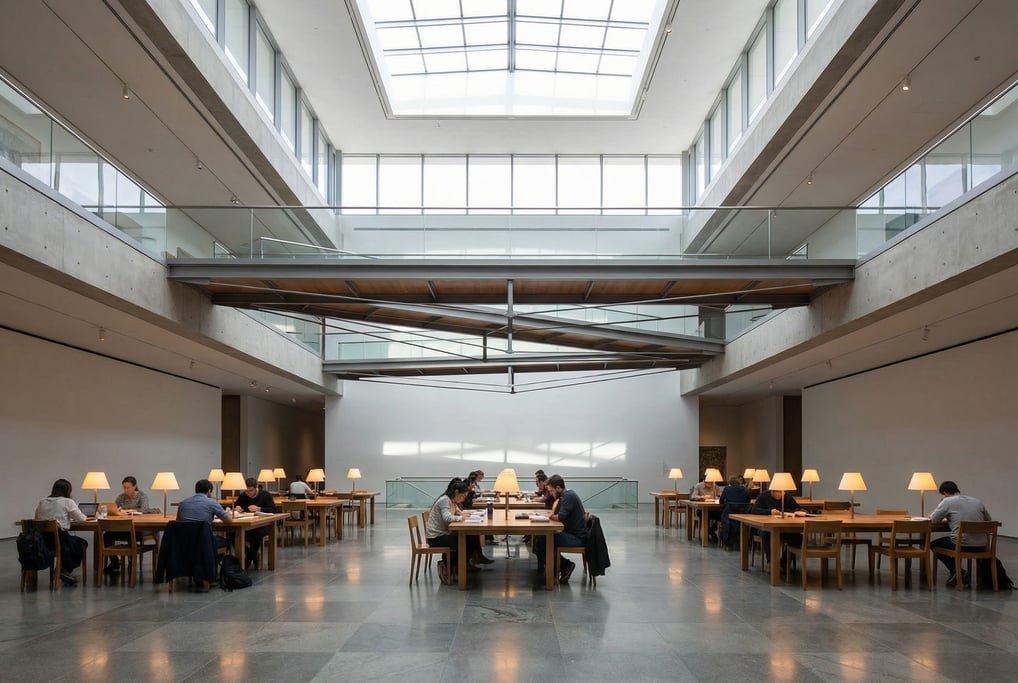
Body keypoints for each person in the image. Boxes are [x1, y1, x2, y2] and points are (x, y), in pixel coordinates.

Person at [929, 480, 993, 587]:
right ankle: (959, 573)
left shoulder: (947, 502)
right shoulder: (977, 501)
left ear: (945, 493)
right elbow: (989, 522)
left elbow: (933, 520)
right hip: (981, 545)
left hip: (961, 544)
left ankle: (957, 571)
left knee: (933, 544)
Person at [533, 474, 587, 584]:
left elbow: (560, 517)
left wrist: (548, 516)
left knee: (542, 541)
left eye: (552, 491)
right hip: (571, 534)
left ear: (558, 488)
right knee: (540, 539)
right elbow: (558, 514)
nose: (551, 495)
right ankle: (553, 569)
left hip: (576, 537)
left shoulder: (568, 497)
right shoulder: (565, 496)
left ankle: (565, 566)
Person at [34, 478, 89, 585]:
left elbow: (36, 518)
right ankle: (64, 569)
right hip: (60, 538)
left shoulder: (42, 502)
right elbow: (82, 519)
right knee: (81, 543)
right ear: (67, 490)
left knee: (68, 545)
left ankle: (61, 570)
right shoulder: (67, 502)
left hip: (43, 541)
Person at [426, 481, 474, 585]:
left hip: (444, 534)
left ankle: (456, 568)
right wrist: (462, 517)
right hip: (436, 537)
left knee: (470, 539)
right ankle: (448, 568)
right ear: (456, 492)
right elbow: (447, 517)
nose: (464, 498)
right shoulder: (445, 500)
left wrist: (466, 514)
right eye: (463, 495)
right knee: (462, 543)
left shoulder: (452, 501)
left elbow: (459, 513)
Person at [750, 488, 806, 573]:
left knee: (798, 538)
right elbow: (754, 510)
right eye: (778, 492)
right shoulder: (764, 496)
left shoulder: (787, 497)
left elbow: (797, 507)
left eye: (783, 492)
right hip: (766, 527)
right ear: (772, 491)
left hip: (784, 528)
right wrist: (769, 512)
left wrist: (800, 511)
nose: (781, 494)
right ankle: (771, 563)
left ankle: (784, 563)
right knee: (767, 534)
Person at [105, 475, 152, 574]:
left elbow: (144, 510)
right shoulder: (121, 497)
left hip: (138, 528)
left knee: (132, 534)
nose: (126, 490)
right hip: (123, 526)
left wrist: (127, 511)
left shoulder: (142, 496)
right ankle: (115, 562)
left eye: (128, 487)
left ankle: (132, 561)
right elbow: (114, 509)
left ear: (134, 486)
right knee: (107, 535)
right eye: (124, 487)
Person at [233, 477, 278, 569]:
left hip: (263, 525)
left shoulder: (265, 495)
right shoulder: (243, 496)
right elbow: (237, 507)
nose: (248, 493)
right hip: (247, 524)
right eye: (246, 491)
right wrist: (236, 508)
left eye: (251, 490)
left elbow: (274, 509)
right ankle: (252, 554)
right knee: (232, 534)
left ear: (256, 488)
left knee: (257, 535)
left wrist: (259, 509)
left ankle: (246, 562)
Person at [177, 479, 232, 549]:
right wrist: (228, 513)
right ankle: (217, 559)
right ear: (209, 491)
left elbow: (178, 522)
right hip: (204, 541)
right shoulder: (212, 503)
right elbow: (229, 521)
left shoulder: (182, 503)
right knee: (227, 541)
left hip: (185, 541)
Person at [719, 475, 752, 549]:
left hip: (729, 511)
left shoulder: (727, 488)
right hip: (742, 512)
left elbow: (721, 501)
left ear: (730, 483)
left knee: (723, 518)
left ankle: (726, 540)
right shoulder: (744, 489)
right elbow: (748, 500)